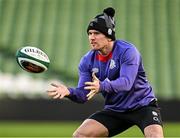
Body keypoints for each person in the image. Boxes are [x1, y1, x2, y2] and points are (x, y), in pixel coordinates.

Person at [47, 7, 164, 138]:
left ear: (109, 36)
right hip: (115, 109)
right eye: (90, 33)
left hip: (142, 105)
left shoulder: (127, 51)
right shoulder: (87, 61)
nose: (91, 37)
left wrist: (102, 86)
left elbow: (126, 83)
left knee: (155, 136)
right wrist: (69, 92)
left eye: (96, 33)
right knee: (80, 135)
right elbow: (83, 94)